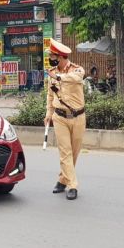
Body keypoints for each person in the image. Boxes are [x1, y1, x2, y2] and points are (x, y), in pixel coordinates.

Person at [43, 40, 86, 201]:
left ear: (60, 57)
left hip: (78, 117)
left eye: (52, 56)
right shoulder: (52, 73)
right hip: (59, 117)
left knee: (74, 152)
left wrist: (59, 77)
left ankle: (62, 179)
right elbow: (50, 95)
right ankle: (72, 185)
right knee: (65, 152)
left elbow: (76, 78)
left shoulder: (77, 70)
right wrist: (48, 114)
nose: (50, 59)